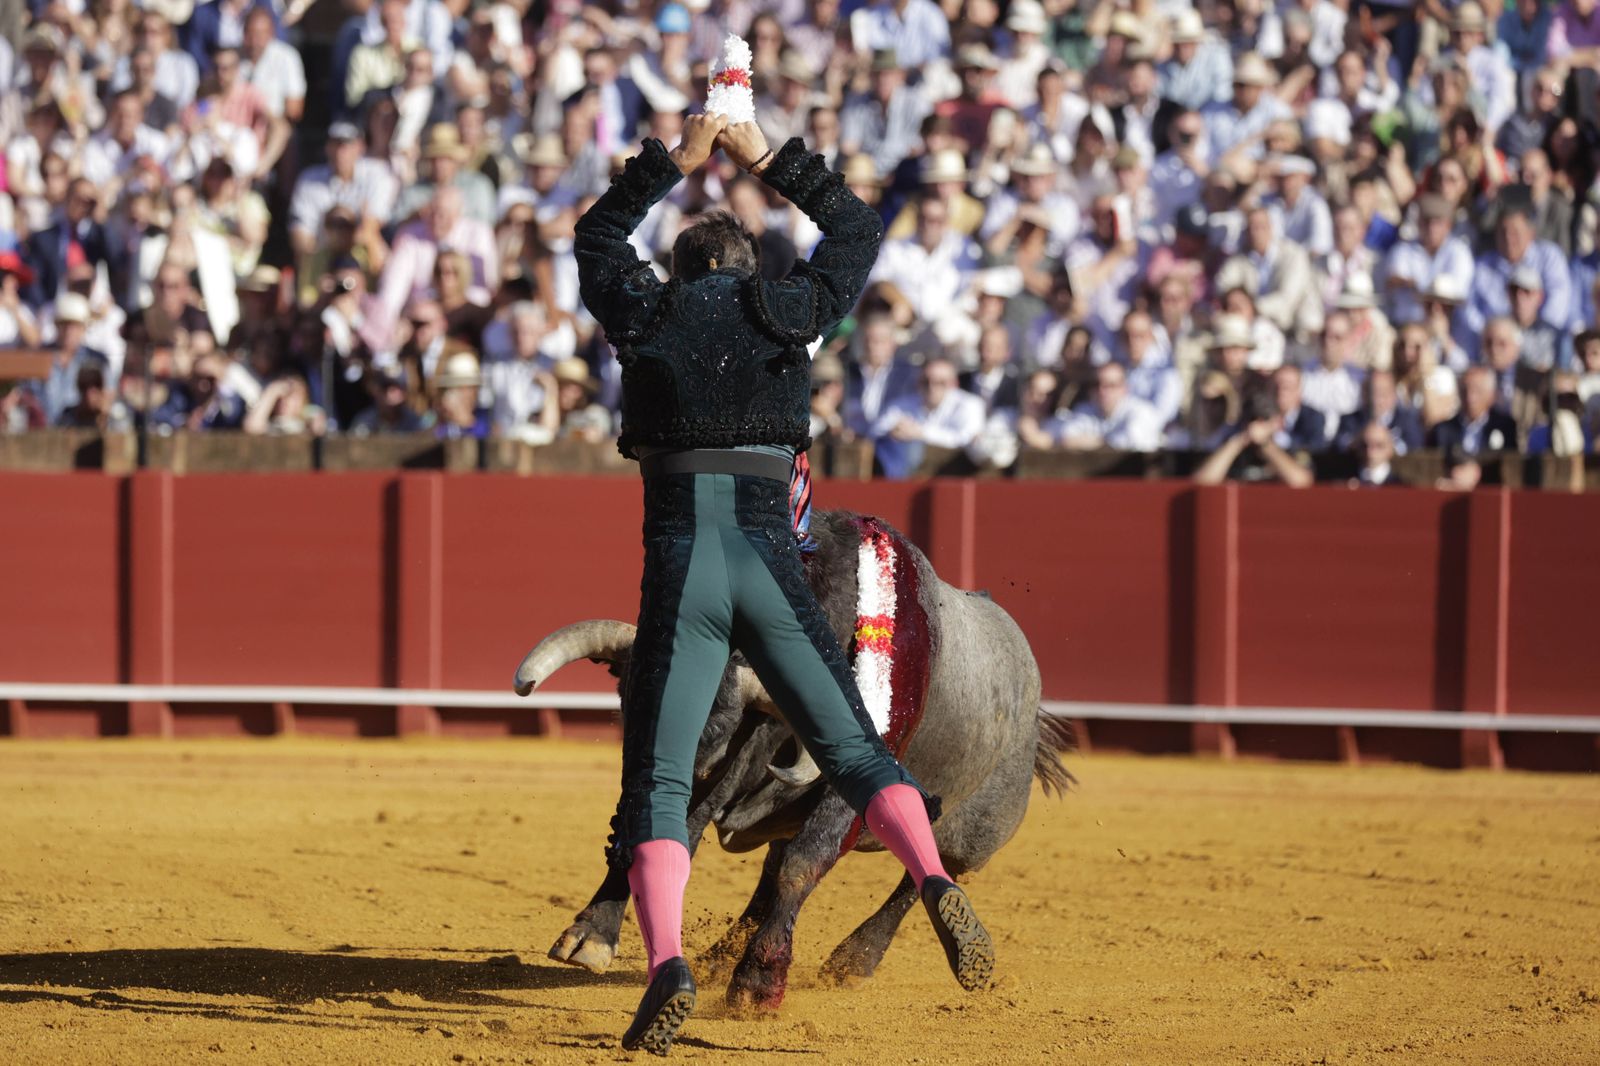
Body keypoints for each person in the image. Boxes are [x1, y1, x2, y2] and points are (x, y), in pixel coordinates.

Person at [573, 113, 991, 1055]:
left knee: (661, 784)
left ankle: (667, 962)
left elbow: (597, 235)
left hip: (684, 568)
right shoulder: (787, 313)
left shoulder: (644, 315)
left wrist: (674, 162)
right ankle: (932, 878)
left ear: (677, 272)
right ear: (753, 271)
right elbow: (858, 228)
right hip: (771, 561)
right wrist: (763, 155)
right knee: (856, 752)